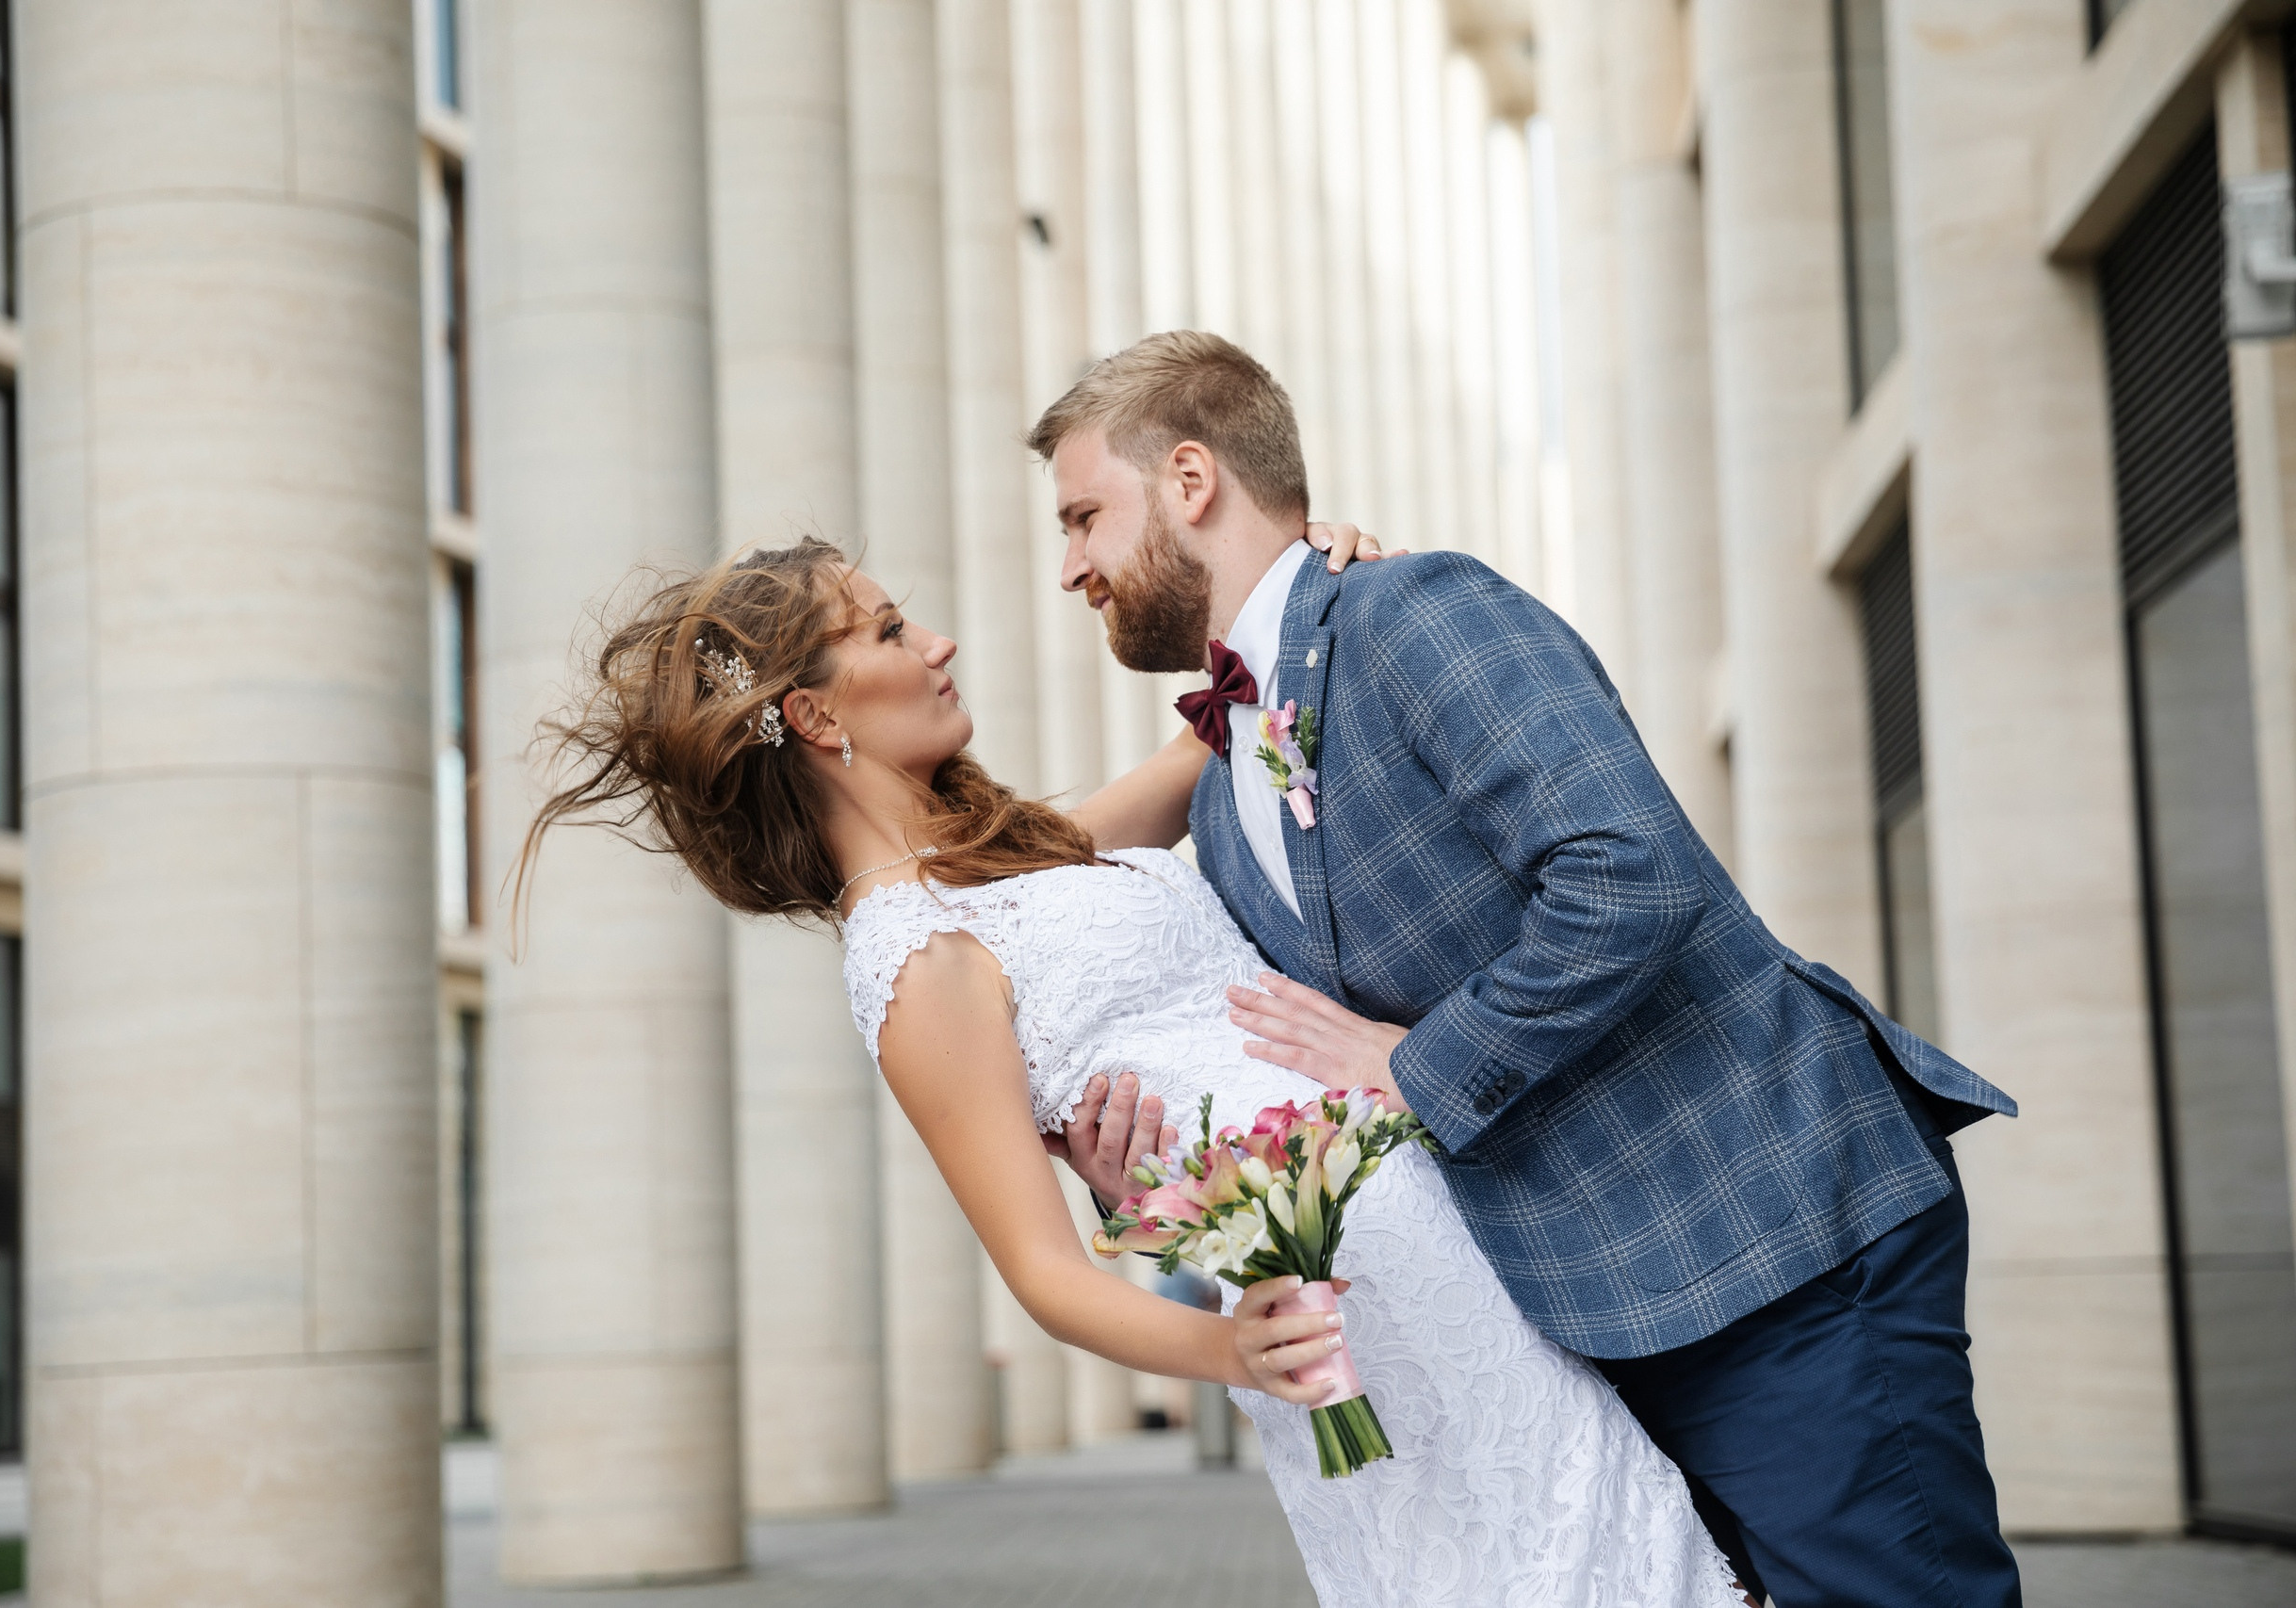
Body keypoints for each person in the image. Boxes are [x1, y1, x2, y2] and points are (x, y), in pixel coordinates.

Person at [525, 530, 1750, 1607]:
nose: (940, 641)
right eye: (893, 629)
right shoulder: (909, 953)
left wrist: (1311, 586)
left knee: (1618, 1536)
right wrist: (1234, 1352)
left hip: (1443, 1244)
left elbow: (1218, 734)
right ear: (817, 715)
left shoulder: (1007, 863)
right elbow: (1042, 1269)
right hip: (1329, 1312)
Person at [1032, 332, 2024, 1608]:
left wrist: (1418, 1064)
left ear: (1188, 478)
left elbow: (1628, 876)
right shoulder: (1221, 799)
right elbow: (1300, 1060)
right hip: (1580, 1315)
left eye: (1083, 518)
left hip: (1774, 1245)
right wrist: (1167, 1191)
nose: (1070, 568)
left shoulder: (1416, 611)